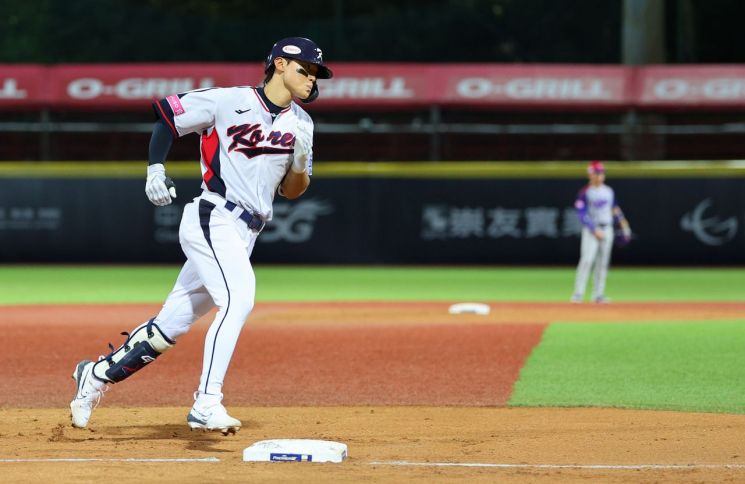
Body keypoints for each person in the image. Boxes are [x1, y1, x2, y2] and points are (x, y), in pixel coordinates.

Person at [69, 37, 333, 434]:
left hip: (248, 232)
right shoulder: (229, 101)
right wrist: (155, 168)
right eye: (305, 69)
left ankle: (96, 375)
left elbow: (293, 191)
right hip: (214, 216)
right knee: (239, 298)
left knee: (170, 326)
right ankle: (207, 402)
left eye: (316, 73)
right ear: (279, 64)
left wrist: (299, 163)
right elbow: (168, 117)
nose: (312, 78)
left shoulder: (303, 123)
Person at [570, 160, 631, 304]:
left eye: (601, 172)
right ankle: (578, 294)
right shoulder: (585, 192)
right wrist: (593, 229)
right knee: (587, 261)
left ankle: (598, 295)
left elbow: (614, 208)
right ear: (590, 175)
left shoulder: (608, 191)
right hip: (592, 230)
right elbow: (581, 213)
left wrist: (622, 221)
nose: (599, 175)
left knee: (603, 263)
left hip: (607, 228)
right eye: (596, 172)